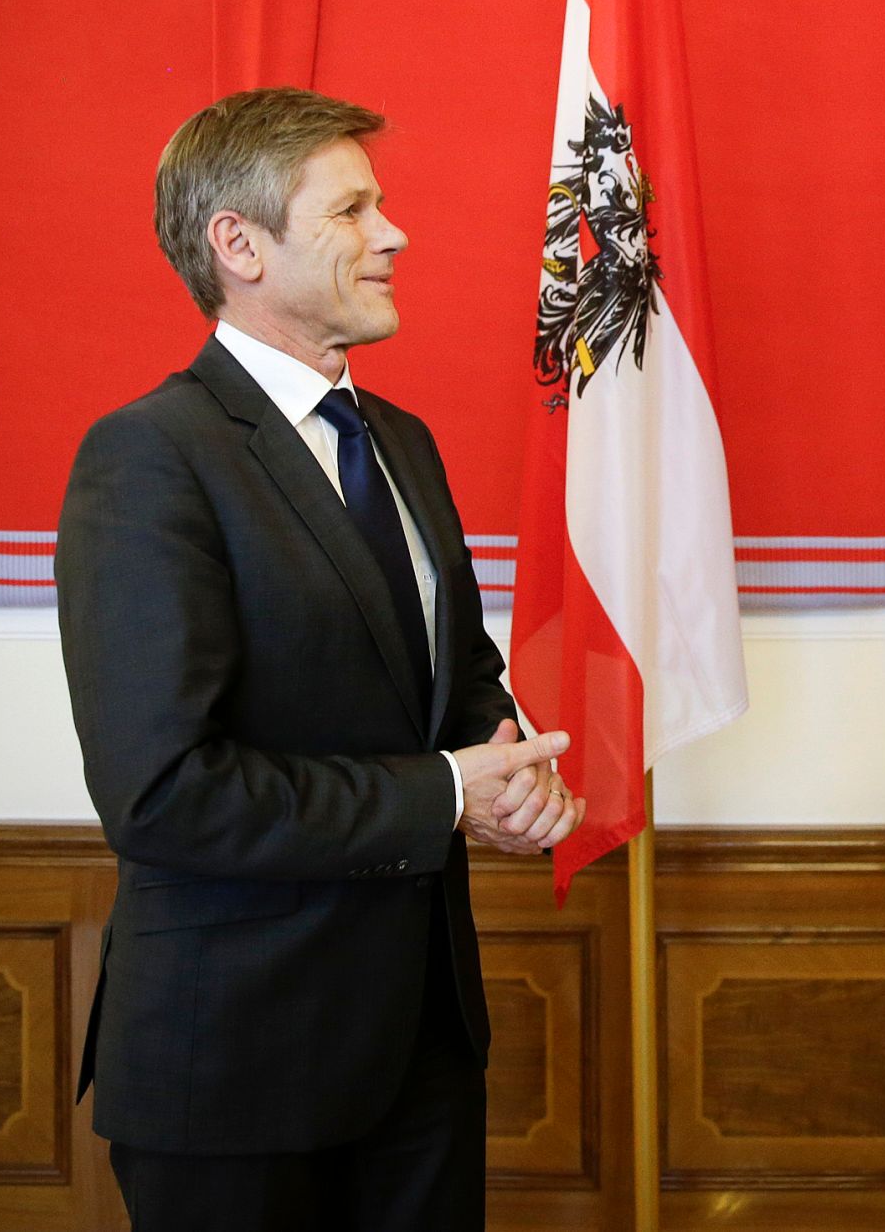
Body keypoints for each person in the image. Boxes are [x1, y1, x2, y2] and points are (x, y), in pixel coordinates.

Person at [57, 86, 585, 1232]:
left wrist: (504, 770)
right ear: (237, 244)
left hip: (424, 1057)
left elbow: (451, 677)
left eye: (379, 205)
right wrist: (444, 793)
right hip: (239, 1071)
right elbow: (161, 793)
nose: (392, 235)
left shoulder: (403, 441)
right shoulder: (150, 456)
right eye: (351, 210)